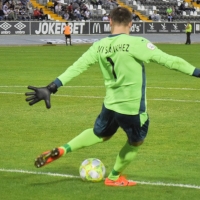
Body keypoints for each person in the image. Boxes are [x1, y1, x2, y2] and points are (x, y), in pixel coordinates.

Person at [25, 7, 200, 187]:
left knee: (100, 134)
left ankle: (64, 149)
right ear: (131, 24)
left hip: (110, 105)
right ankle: (114, 177)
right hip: (132, 109)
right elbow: (171, 61)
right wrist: (197, 72)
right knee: (136, 141)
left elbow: (77, 67)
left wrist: (52, 87)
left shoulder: (99, 46)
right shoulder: (137, 43)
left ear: (109, 21)